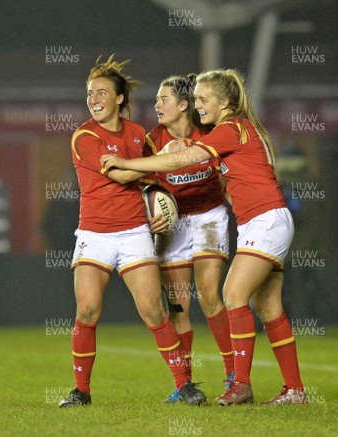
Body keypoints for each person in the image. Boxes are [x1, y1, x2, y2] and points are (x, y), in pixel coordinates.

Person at [101, 69, 306, 405]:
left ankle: (239, 382)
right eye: (195, 99)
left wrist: (126, 162)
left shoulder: (229, 129)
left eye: (202, 99)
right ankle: (294, 391)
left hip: (265, 220)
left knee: (231, 293)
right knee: (268, 308)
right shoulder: (232, 128)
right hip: (263, 221)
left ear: (224, 102)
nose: (197, 105)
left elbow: (185, 158)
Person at [59, 55, 206, 407]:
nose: (93, 99)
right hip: (94, 234)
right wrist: (152, 168)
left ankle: (184, 385)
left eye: (101, 93)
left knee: (154, 311)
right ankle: (81, 391)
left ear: (120, 98)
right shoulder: (84, 136)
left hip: (133, 233)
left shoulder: (139, 134)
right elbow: (121, 175)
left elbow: (160, 178)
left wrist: (162, 210)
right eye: (90, 93)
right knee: (88, 310)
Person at [145, 74, 234, 403]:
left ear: (184, 105)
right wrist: (150, 211)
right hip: (175, 224)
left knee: (210, 295)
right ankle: (185, 384)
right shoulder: (152, 140)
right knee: (179, 306)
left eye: (163, 99)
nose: (156, 105)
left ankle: (233, 376)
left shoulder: (209, 131)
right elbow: (144, 183)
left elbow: (232, 168)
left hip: (209, 216)